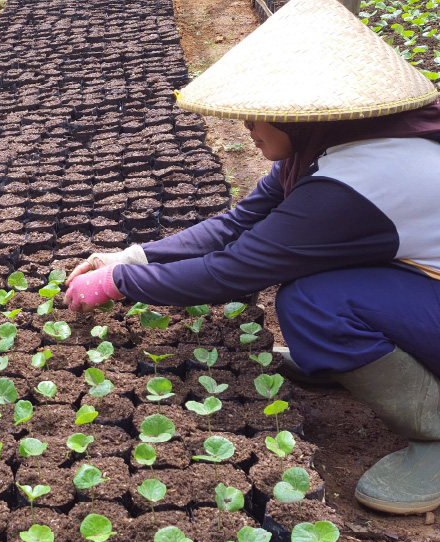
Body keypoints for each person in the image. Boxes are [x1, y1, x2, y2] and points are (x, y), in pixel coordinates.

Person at [64, 0, 440, 514]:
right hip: (422, 279)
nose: (245, 126)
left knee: (313, 302)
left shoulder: (353, 183)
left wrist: (122, 284)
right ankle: (355, 363)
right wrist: (134, 255)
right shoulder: (335, 146)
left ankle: (435, 432)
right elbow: (237, 223)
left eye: (257, 113)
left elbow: (233, 270)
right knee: (316, 287)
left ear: (300, 113)